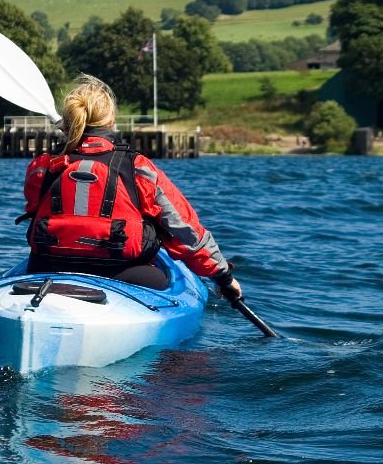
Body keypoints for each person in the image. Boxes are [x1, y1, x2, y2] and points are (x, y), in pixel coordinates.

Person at [20, 74, 243, 301]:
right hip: (125, 273)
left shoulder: (42, 166)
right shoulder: (137, 167)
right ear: (111, 121)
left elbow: (34, 206)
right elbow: (185, 230)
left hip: (47, 266)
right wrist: (223, 278)